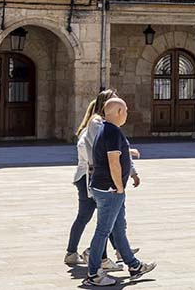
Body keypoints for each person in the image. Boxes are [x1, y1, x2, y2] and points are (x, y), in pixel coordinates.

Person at [66, 90, 142, 269]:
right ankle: (95, 260)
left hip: (98, 178)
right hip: (94, 177)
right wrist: (118, 185)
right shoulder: (99, 124)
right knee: (98, 221)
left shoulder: (106, 126)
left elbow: (111, 150)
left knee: (108, 221)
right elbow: (105, 153)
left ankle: (118, 254)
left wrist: (130, 166)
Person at [84, 98, 155, 286]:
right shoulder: (112, 132)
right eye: (125, 111)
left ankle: (134, 266)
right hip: (110, 190)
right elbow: (113, 161)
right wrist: (119, 187)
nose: (126, 114)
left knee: (118, 229)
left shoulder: (104, 129)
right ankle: (93, 274)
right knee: (103, 231)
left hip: (105, 187)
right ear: (119, 111)